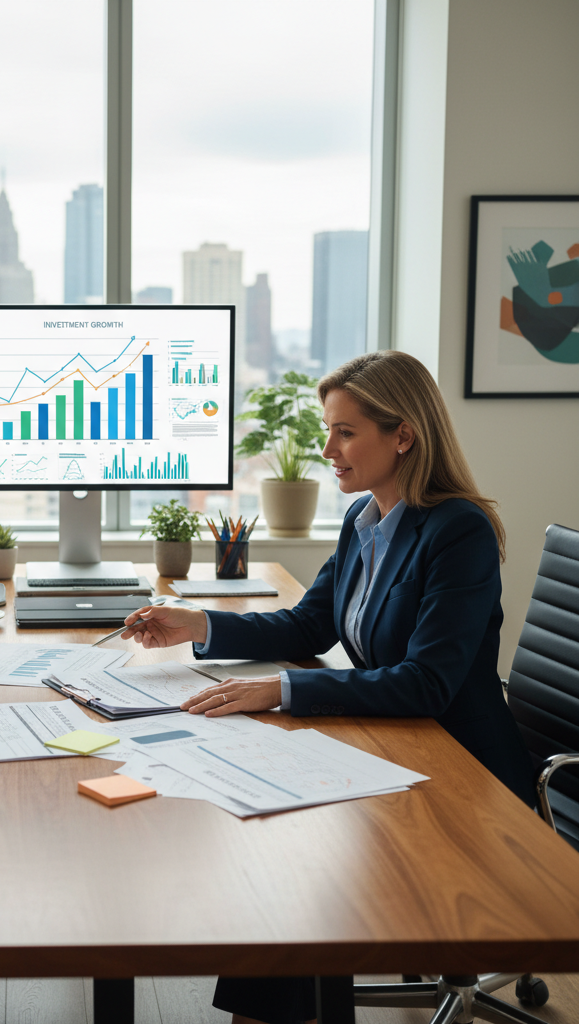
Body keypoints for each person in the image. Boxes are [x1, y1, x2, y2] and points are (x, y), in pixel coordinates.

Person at [120, 350, 535, 1024]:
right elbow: (311, 623)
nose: (327, 448)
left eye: (345, 432)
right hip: (398, 749)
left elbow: (427, 684)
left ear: (403, 435)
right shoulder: (364, 519)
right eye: (327, 429)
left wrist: (280, 690)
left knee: (298, 873)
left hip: (466, 778)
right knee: (279, 846)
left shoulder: (458, 531)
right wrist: (199, 625)